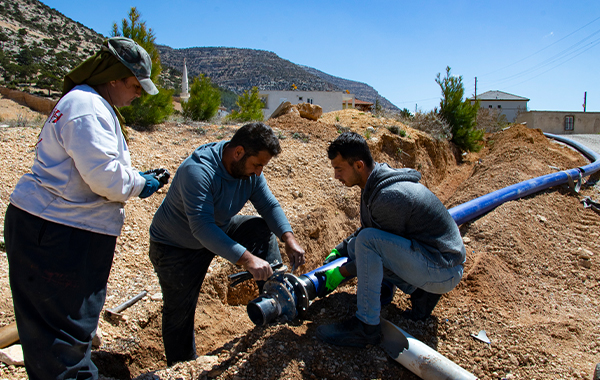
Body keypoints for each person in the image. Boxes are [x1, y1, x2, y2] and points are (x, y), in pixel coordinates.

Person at [3, 37, 167, 379]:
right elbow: (105, 179)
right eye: (135, 85)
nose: (138, 94)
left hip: (54, 226)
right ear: (113, 77)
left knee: (51, 331)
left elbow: (94, 166)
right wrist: (140, 184)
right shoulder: (87, 107)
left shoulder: (86, 103)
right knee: (64, 335)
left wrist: (134, 176)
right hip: (60, 233)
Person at [148, 122, 305, 365]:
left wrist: (288, 238)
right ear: (238, 152)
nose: (259, 172)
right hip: (176, 246)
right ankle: (184, 368)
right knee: (179, 313)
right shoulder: (198, 171)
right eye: (257, 165)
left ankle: (274, 302)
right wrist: (248, 259)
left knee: (258, 229)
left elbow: (269, 206)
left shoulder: (249, 172)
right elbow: (201, 227)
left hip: (217, 228)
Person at [316, 131, 465, 348]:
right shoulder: (374, 184)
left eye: (339, 169)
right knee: (364, 243)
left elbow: (374, 246)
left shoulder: (389, 196)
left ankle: (365, 327)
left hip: (443, 270)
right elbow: (375, 230)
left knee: (367, 243)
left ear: (358, 165)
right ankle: (415, 292)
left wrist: (341, 272)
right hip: (432, 259)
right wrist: (341, 250)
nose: (336, 176)